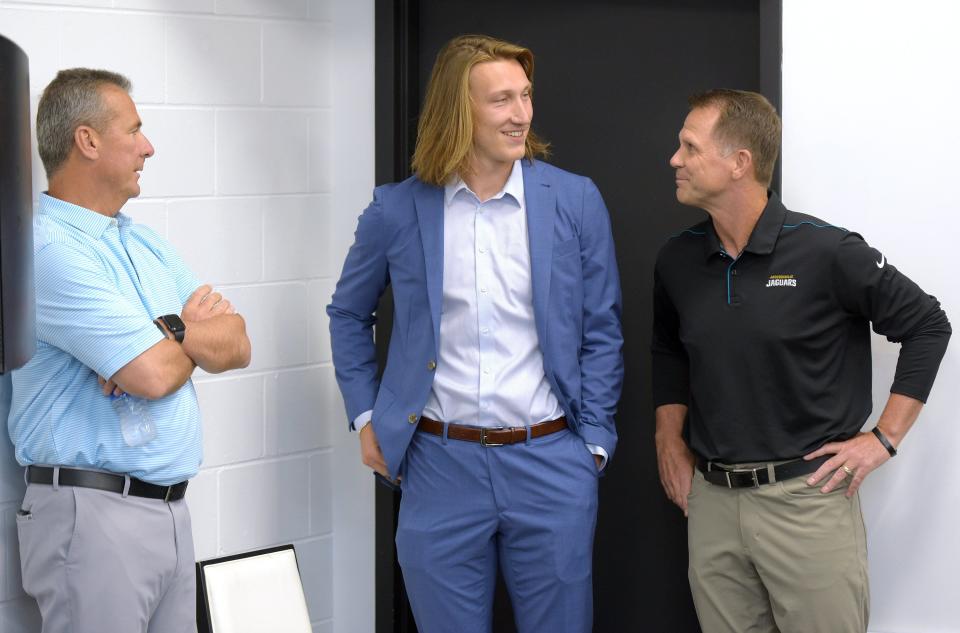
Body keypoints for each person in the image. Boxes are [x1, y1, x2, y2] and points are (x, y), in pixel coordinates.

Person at [328, 34, 622, 632]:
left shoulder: (574, 200)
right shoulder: (396, 209)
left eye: (526, 96)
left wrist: (591, 442)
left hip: (551, 462)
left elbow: (601, 330)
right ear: (459, 111)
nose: (522, 114)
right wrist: (365, 416)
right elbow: (348, 314)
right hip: (437, 465)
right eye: (501, 101)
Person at [652, 89, 951, 633]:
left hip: (807, 502)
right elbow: (669, 349)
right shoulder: (676, 259)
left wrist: (883, 438)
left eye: (689, 147)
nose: (675, 159)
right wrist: (668, 440)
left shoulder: (827, 252)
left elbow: (928, 324)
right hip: (713, 506)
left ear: (739, 162)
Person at [8, 68, 251, 633]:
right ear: (87, 141)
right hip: (92, 518)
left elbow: (237, 340)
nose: (149, 147)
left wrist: (168, 333)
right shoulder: (47, 247)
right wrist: (177, 341)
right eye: (134, 130)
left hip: (168, 511)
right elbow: (150, 375)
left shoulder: (142, 241)